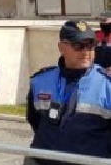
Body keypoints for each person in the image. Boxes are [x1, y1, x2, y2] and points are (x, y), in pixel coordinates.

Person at [25, 20, 111, 164]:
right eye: (78, 45)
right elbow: (35, 121)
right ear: (61, 47)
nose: (85, 52)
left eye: (90, 45)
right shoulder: (39, 81)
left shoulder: (107, 84)